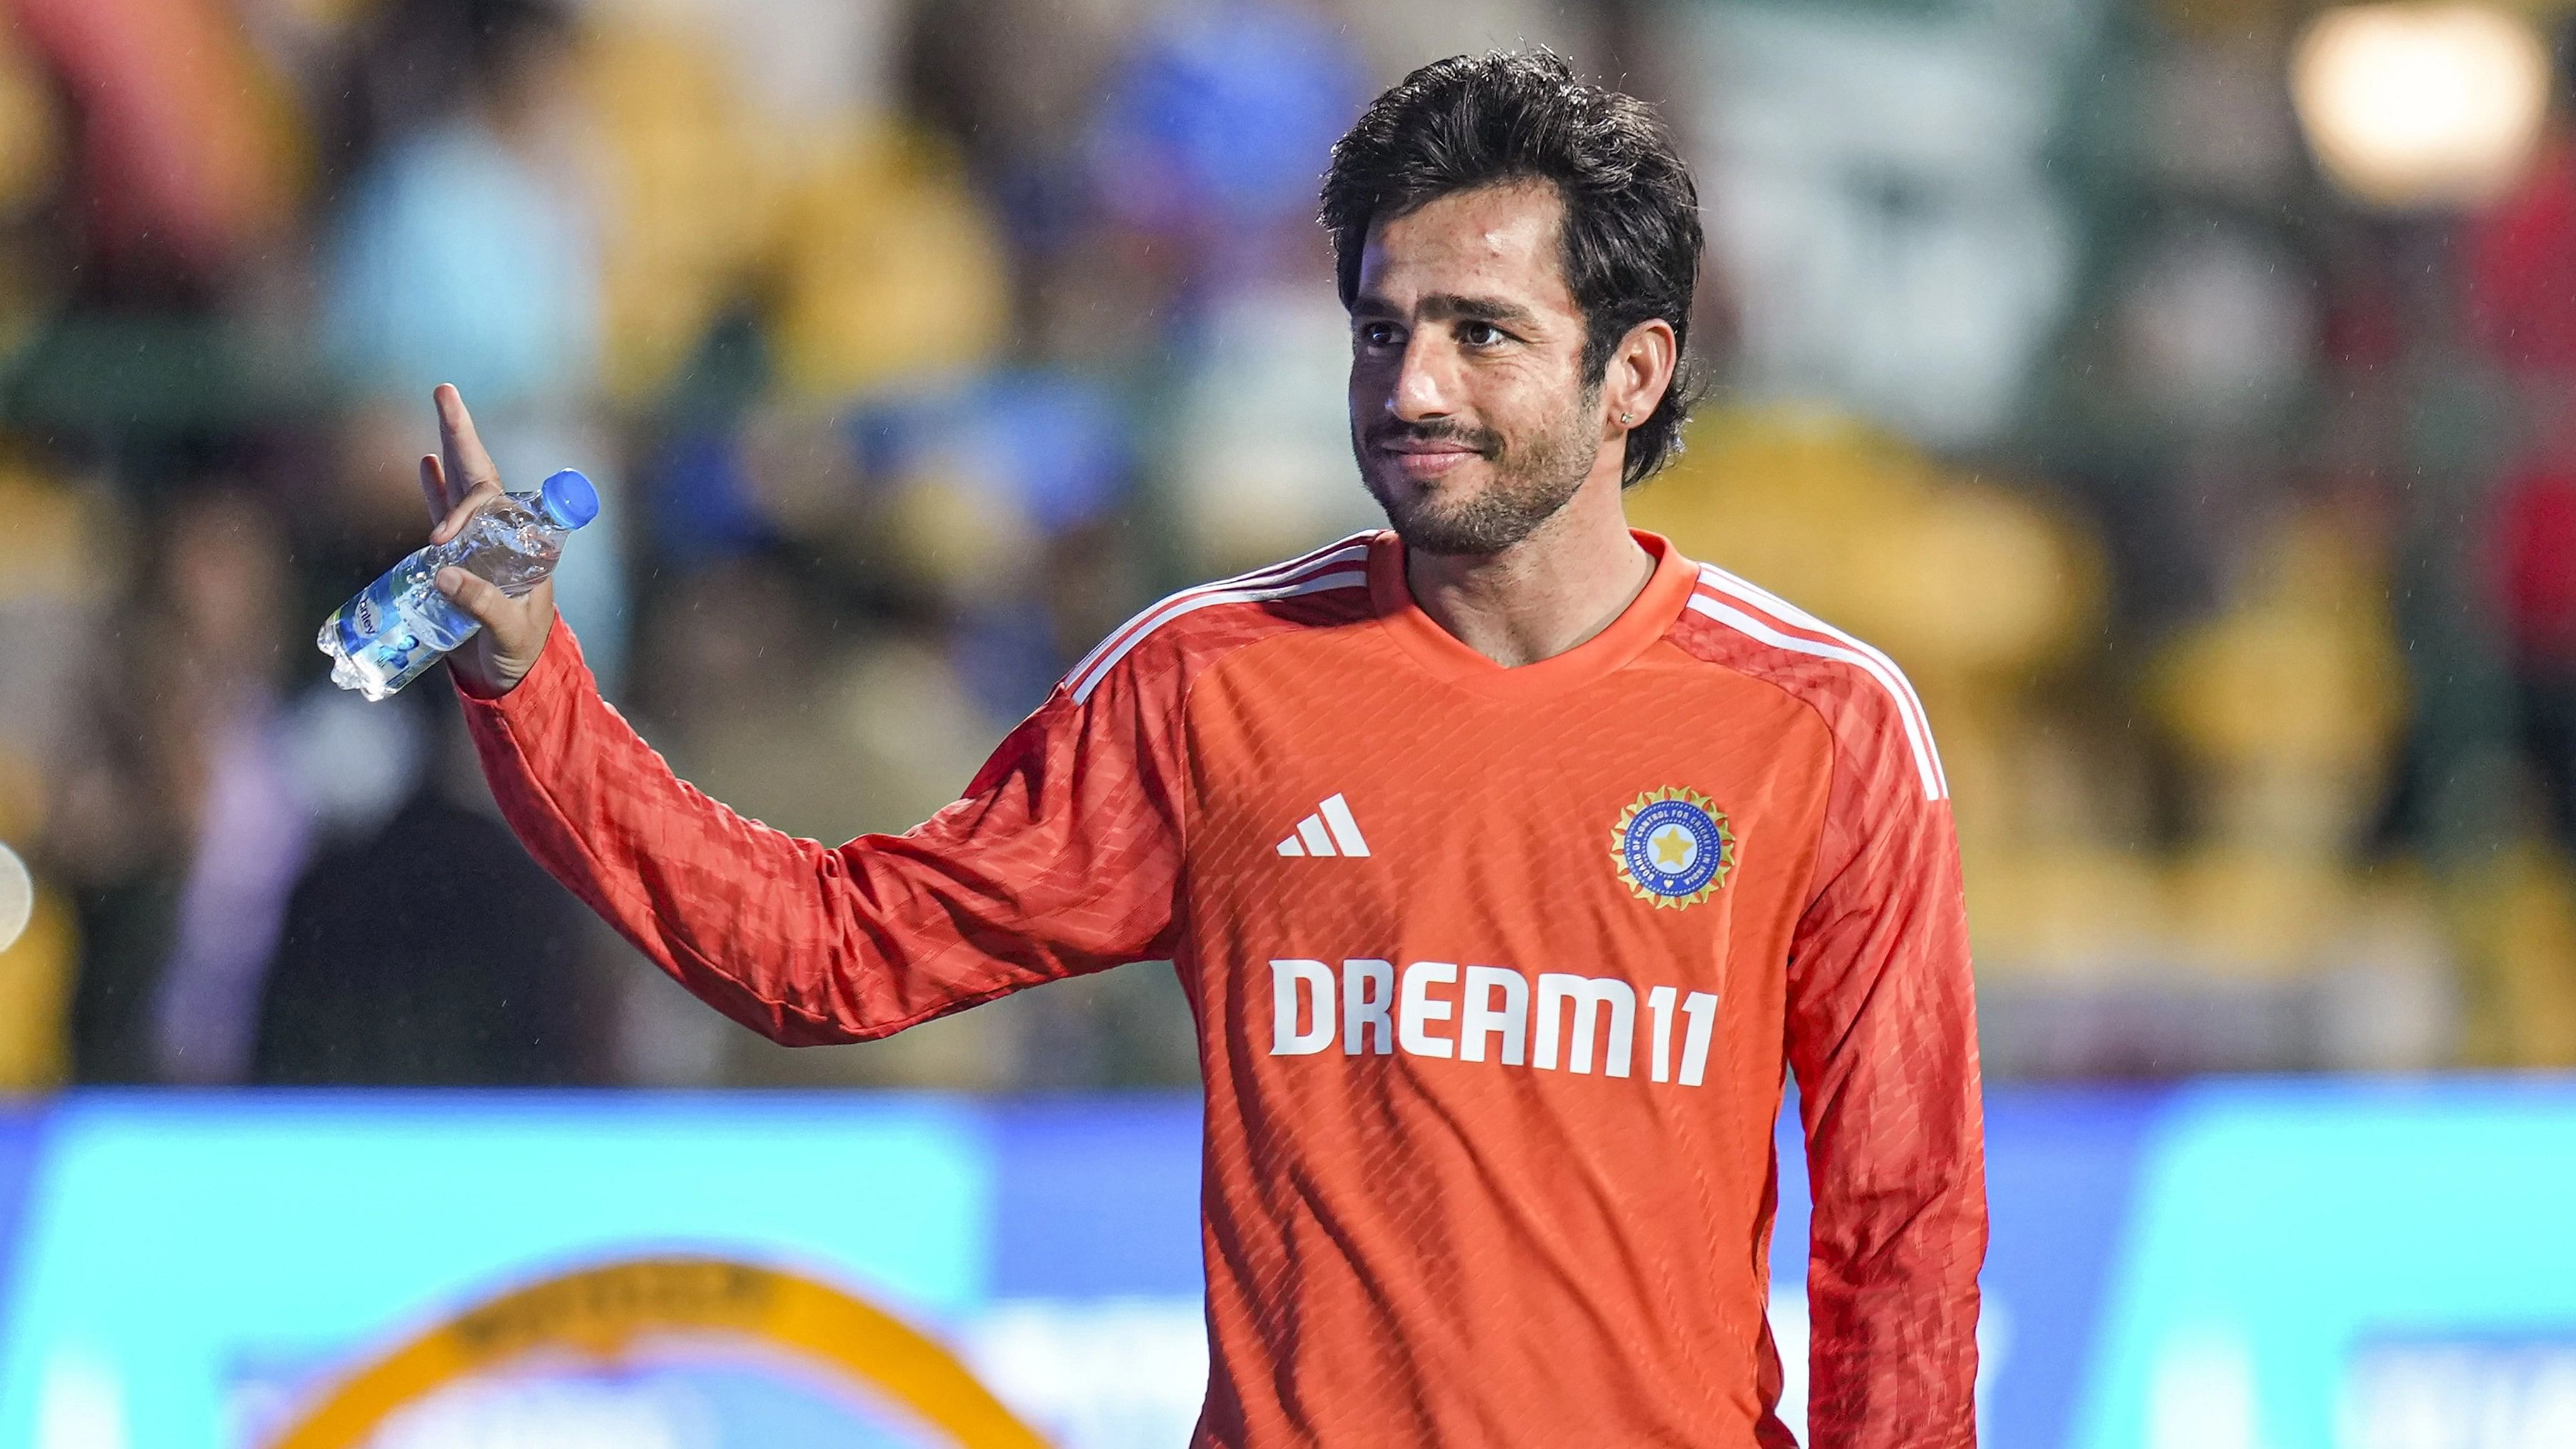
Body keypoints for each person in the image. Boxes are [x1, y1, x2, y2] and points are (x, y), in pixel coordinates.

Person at [421, 49, 1984, 1448]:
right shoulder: (1213, 685)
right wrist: (531, 680)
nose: (1413, 386)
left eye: (1482, 333)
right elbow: (832, 954)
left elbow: (1900, 1232)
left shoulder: (1822, 725)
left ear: (1630, 373)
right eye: (1384, 328)